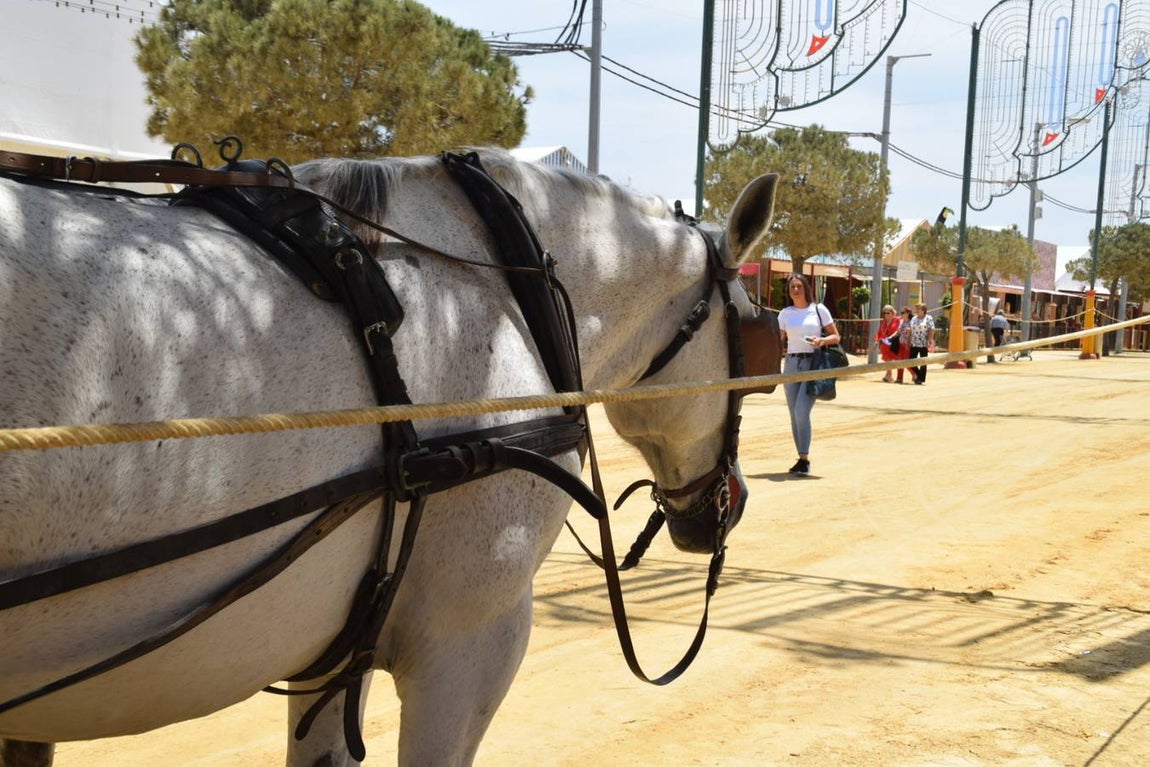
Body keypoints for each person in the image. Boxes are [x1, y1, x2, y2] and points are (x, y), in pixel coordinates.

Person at [777, 273, 841, 475]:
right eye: (792, 287)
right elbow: (778, 341)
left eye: (799, 286)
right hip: (791, 364)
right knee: (793, 415)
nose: (795, 290)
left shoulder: (818, 309)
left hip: (812, 363)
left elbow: (835, 336)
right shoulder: (785, 314)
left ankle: (804, 458)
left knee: (801, 411)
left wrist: (822, 341)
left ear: (806, 288)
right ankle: (802, 459)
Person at [907, 302, 935, 385]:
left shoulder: (928, 318)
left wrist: (930, 339)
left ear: (923, 310)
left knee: (923, 362)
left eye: (918, 309)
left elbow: (931, 329)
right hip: (914, 342)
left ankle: (920, 379)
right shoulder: (913, 319)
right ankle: (919, 375)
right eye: (916, 308)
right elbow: (910, 329)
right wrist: (908, 340)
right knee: (911, 361)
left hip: (923, 342)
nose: (916, 310)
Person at [875, 304, 901, 383]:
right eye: (884, 313)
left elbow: (898, 331)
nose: (886, 315)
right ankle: (888, 375)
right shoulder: (883, 322)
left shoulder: (897, 320)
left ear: (892, 313)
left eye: (888, 313)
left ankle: (889, 375)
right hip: (885, 344)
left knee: (897, 360)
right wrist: (876, 340)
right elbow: (879, 332)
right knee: (887, 359)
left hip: (894, 342)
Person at [895, 306, 916, 384]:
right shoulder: (901, 322)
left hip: (908, 344)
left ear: (908, 314)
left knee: (907, 361)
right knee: (899, 361)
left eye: (903, 313)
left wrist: (908, 343)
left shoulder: (912, 322)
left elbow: (913, 333)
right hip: (901, 343)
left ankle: (915, 374)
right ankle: (899, 378)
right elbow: (898, 332)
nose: (901, 314)